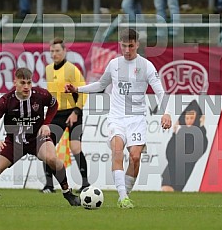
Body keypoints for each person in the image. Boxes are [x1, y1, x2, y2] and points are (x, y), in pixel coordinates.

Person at [65, 28, 172, 208]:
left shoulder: (146, 66)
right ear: (120, 45)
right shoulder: (114, 64)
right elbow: (101, 84)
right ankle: (123, 198)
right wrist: (78, 89)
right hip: (117, 117)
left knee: (135, 157)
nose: (127, 50)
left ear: (137, 44)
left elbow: (160, 91)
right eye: (124, 46)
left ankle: (125, 193)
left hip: (137, 118)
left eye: (131, 46)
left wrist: (166, 112)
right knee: (117, 151)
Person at [0, 67, 81, 206]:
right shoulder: (5, 101)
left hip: (37, 138)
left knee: (52, 158)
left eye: (29, 83)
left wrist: (46, 124)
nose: (26, 86)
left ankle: (68, 193)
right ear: (15, 82)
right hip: (14, 142)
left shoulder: (40, 94)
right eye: (22, 83)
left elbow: (54, 105)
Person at [40, 37, 90, 194]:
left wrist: (76, 111)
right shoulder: (48, 69)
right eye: (52, 51)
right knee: (47, 148)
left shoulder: (72, 69)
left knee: (75, 147)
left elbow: (83, 91)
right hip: (56, 113)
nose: (54, 54)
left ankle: (85, 183)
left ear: (65, 51)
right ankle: (49, 185)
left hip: (72, 112)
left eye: (57, 51)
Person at [161, 100, 208, 192]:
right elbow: (170, 151)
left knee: (175, 191)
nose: (189, 121)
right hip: (171, 166)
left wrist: (201, 127)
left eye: (192, 118)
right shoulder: (179, 131)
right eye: (187, 118)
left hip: (184, 169)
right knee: (166, 188)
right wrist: (175, 133)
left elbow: (200, 150)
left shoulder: (201, 133)